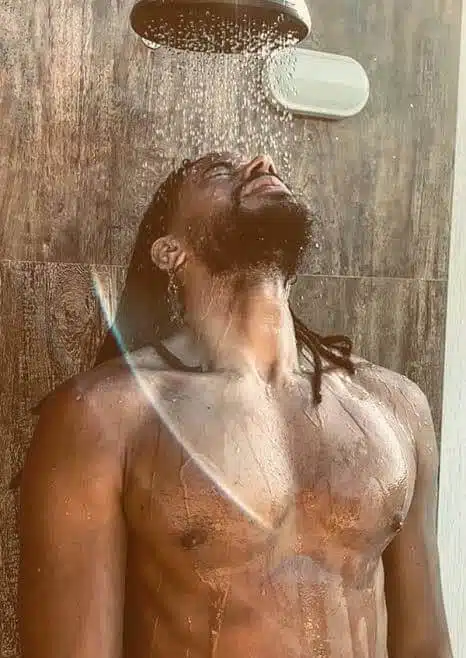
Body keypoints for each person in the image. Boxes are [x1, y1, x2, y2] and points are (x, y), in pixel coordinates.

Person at [18, 152, 452, 658]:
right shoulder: (105, 416)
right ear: (170, 251)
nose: (262, 162)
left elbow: (425, 644)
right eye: (219, 173)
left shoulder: (395, 406)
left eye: (266, 164)